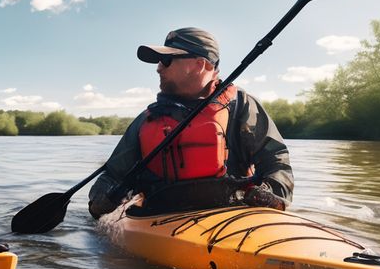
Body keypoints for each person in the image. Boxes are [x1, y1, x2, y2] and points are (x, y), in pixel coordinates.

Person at [88, 27, 293, 218]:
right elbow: (112, 175)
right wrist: (101, 198)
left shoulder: (241, 107)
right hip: (160, 217)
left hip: (230, 214)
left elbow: (276, 161)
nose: (158, 68)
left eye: (166, 60)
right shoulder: (147, 119)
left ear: (200, 64)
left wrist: (271, 193)